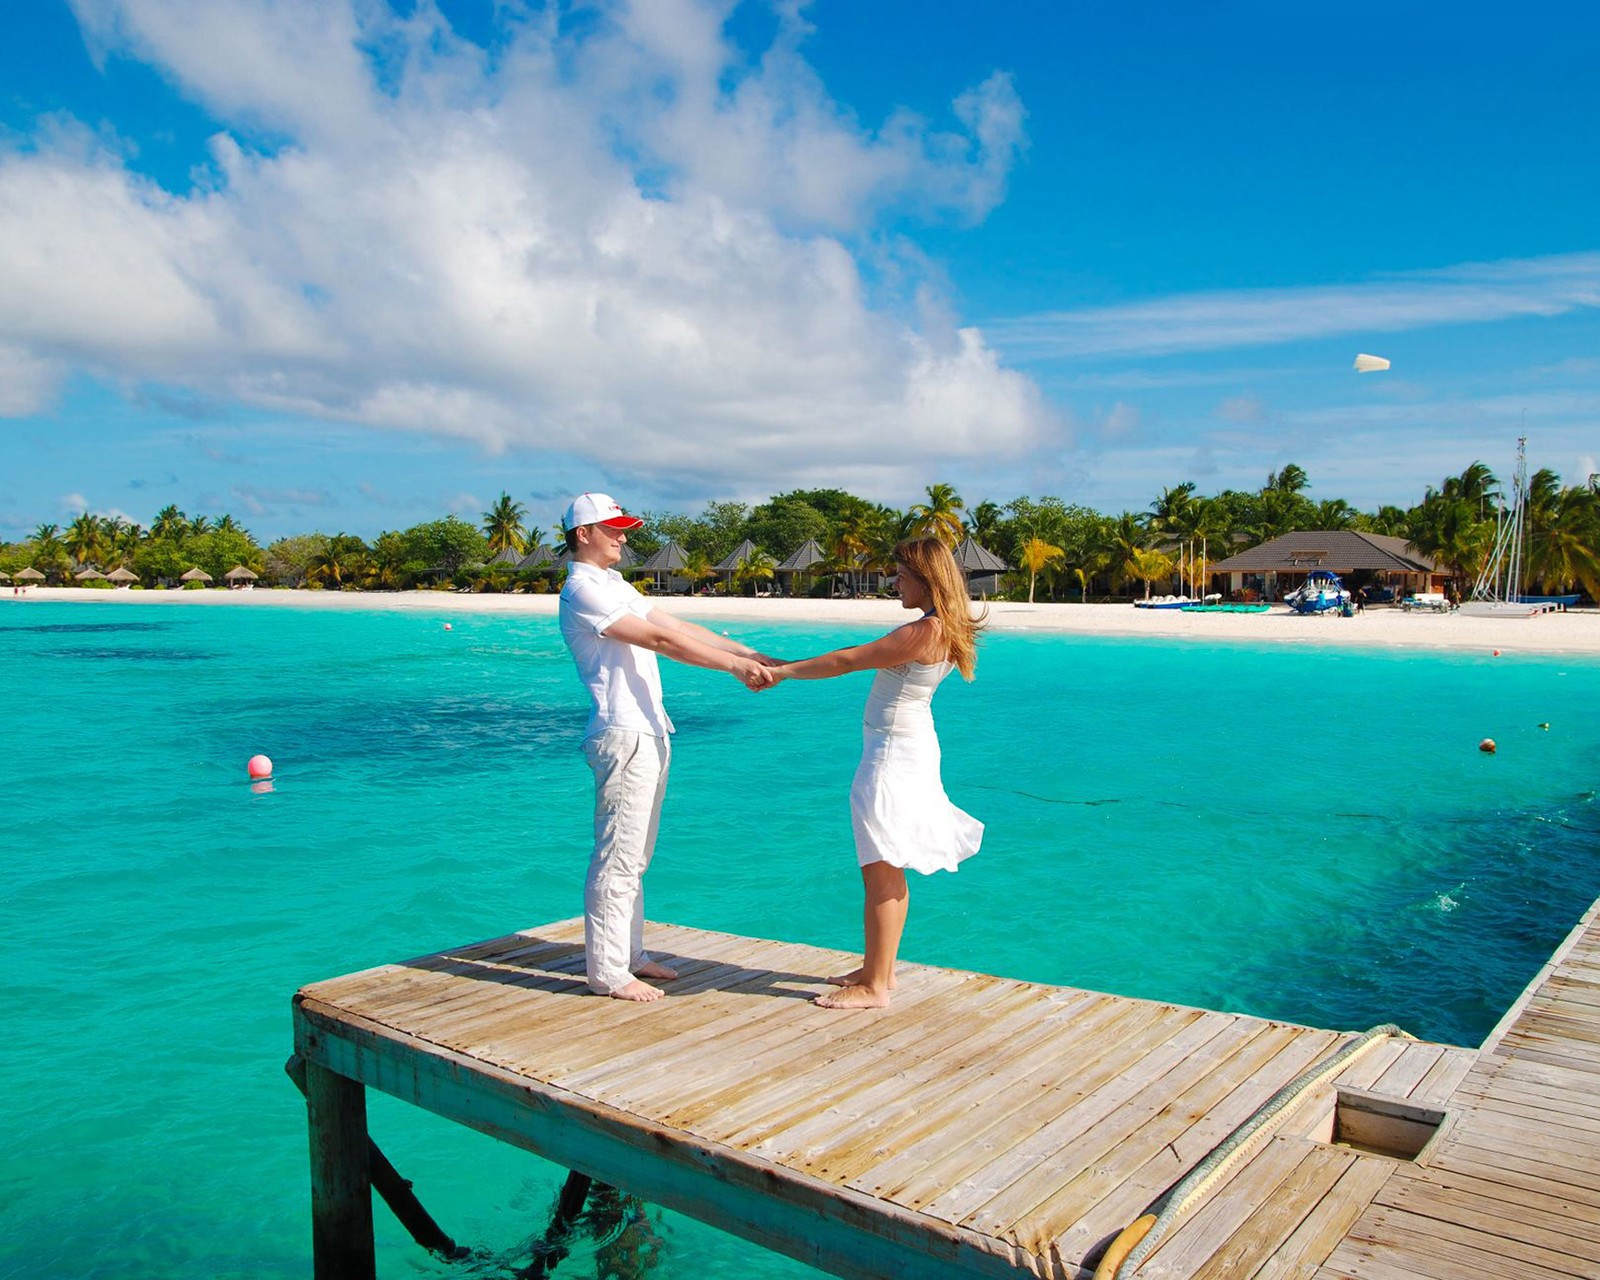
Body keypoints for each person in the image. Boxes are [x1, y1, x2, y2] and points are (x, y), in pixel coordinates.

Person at [559, 492, 776, 1002]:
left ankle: (629, 956)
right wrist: (734, 668)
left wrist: (745, 650)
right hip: (623, 732)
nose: (623, 536)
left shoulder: (612, 583)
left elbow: (675, 626)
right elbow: (659, 643)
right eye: (613, 528)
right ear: (584, 533)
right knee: (617, 854)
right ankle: (608, 973)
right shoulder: (582, 589)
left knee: (635, 855)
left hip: (649, 730)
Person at [765, 536, 984, 1009]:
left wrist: (783, 672)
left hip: (892, 758)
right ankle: (877, 970)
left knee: (881, 868)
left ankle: (876, 987)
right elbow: (861, 651)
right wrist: (789, 665)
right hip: (911, 748)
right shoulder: (940, 628)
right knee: (890, 864)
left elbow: (849, 660)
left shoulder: (923, 632)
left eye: (901, 575)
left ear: (926, 580)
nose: (894, 583)